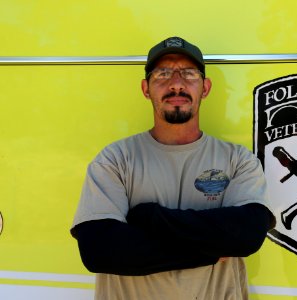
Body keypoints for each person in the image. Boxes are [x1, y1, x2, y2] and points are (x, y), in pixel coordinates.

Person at [70, 36, 275, 300]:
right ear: (146, 88)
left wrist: (150, 216)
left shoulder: (238, 160)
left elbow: (246, 235)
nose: (176, 84)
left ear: (205, 87)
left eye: (189, 74)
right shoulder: (116, 160)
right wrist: (212, 247)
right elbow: (100, 250)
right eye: (162, 74)